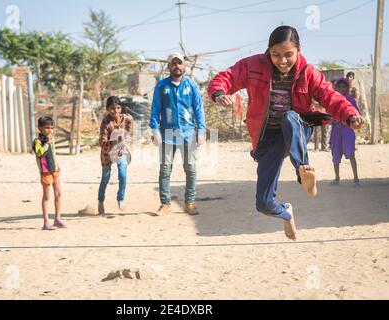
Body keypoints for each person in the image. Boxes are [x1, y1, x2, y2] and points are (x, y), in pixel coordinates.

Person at [208, 26, 364, 240]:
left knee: (289, 117)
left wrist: (350, 115)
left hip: (296, 129)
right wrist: (218, 93)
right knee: (263, 204)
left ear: (298, 51)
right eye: (276, 55)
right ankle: (286, 212)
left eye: (288, 55)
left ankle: (303, 171)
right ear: (268, 52)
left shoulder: (308, 73)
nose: (282, 61)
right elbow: (227, 77)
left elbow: (330, 97)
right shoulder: (253, 65)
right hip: (267, 138)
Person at [150, 52, 206, 215]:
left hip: (188, 132)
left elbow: (198, 109)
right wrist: (155, 130)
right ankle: (165, 204)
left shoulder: (191, 85)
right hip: (167, 133)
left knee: (190, 168)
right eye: (173, 63)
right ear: (168, 66)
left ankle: (190, 202)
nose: (177, 66)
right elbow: (155, 109)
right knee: (165, 169)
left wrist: (201, 131)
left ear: (184, 66)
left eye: (179, 63)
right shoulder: (162, 86)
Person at [97, 96, 134, 215]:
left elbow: (129, 133)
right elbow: (102, 142)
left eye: (118, 108)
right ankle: (101, 201)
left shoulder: (127, 119)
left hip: (121, 151)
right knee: (105, 178)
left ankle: (120, 199)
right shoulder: (105, 123)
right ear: (107, 109)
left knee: (123, 175)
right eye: (112, 108)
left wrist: (123, 144)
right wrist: (115, 141)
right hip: (107, 152)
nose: (116, 111)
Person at [33, 116, 65, 230]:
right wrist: (46, 143)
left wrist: (57, 165)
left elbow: (53, 153)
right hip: (45, 172)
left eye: (52, 128)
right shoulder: (37, 141)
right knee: (46, 196)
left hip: (55, 170)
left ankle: (57, 219)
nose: (49, 130)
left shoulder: (52, 139)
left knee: (58, 194)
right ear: (40, 128)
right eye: (46, 128)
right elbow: (39, 153)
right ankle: (46, 222)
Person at [329, 77, 361, 187]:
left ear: (347, 88)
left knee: (350, 153)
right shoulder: (332, 100)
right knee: (335, 154)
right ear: (335, 88)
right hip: (336, 131)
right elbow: (329, 115)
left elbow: (356, 113)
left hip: (347, 130)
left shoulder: (351, 100)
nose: (341, 89)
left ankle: (356, 179)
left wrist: (352, 121)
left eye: (344, 87)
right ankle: (337, 178)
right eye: (339, 87)